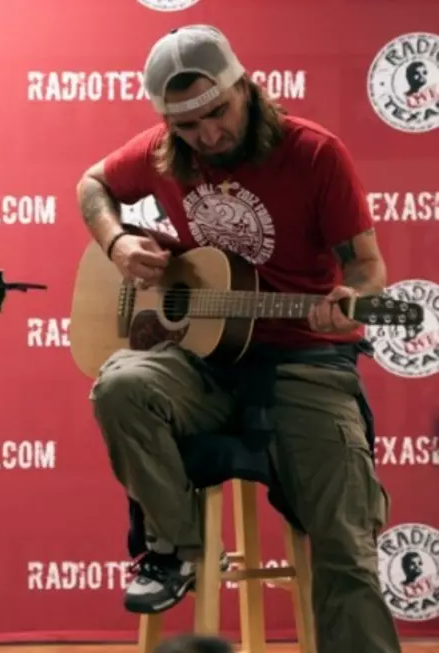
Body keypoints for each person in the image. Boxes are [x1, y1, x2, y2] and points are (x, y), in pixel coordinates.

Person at [75, 25, 401, 653]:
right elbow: (93, 184)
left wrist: (349, 302)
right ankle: (177, 549)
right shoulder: (166, 151)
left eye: (217, 112)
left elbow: (365, 268)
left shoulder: (314, 153)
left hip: (306, 360)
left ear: (244, 86)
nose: (208, 135)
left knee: (345, 548)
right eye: (188, 125)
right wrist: (116, 241)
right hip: (206, 361)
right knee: (120, 384)